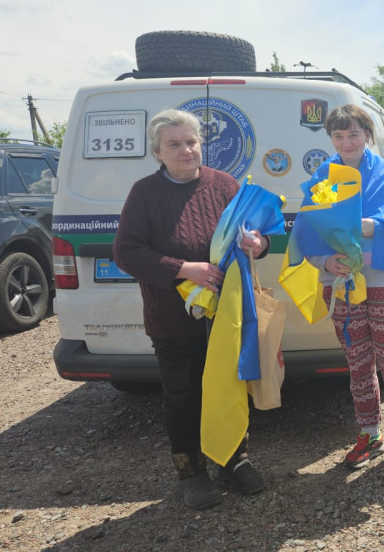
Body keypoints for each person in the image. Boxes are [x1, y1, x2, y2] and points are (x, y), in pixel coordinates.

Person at [113, 109, 269, 510]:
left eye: (191, 141)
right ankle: (192, 472)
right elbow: (126, 252)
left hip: (227, 315)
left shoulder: (224, 184)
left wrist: (258, 243)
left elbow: (256, 232)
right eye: (174, 144)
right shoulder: (144, 193)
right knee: (184, 396)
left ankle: (233, 459)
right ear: (157, 152)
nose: (186, 150)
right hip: (172, 318)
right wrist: (184, 268)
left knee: (230, 388)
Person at [312, 104, 384, 472]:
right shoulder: (324, 178)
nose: (347, 142)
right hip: (340, 281)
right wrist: (324, 262)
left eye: (353, 134)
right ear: (331, 138)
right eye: (339, 135)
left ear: (367, 135)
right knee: (358, 362)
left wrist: (368, 226)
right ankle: (369, 434)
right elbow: (309, 231)